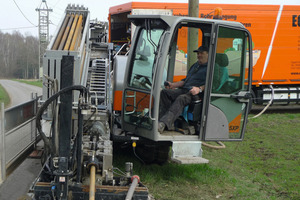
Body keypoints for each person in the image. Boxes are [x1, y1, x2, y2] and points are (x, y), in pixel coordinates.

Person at [158, 46, 209, 133]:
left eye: (201, 53)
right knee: (165, 92)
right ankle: (165, 121)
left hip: (196, 94)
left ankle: (163, 123)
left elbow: (212, 84)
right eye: (198, 53)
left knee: (181, 98)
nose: (199, 55)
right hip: (185, 89)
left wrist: (199, 89)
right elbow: (186, 80)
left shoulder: (211, 68)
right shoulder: (196, 65)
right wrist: (173, 85)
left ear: (208, 54)